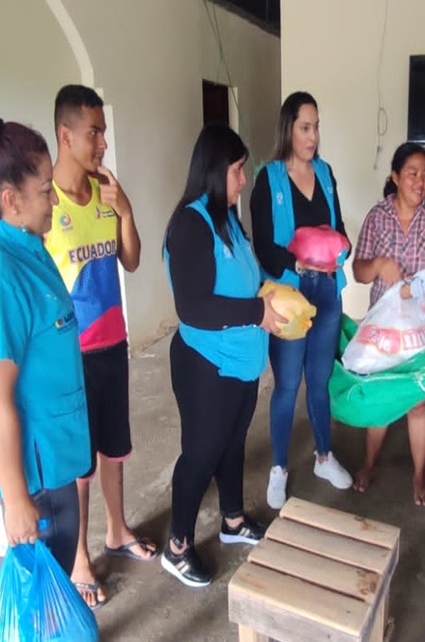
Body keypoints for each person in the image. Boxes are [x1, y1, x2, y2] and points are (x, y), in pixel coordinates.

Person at [0, 109, 90, 585]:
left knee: (54, 582)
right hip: (33, 474)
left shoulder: (22, 244)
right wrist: (15, 500)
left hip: (52, 452)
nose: (55, 199)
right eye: (46, 190)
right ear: (11, 199)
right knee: (44, 590)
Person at [161, 123, 283, 587]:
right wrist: (257, 311)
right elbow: (192, 307)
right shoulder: (190, 224)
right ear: (214, 171)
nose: (243, 180)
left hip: (241, 361)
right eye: (237, 170)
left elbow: (245, 277)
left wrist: (271, 293)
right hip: (205, 364)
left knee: (233, 443)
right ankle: (177, 546)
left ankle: (232, 521)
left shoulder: (226, 217)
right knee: (201, 453)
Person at [45, 85, 149, 609]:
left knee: (115, 446)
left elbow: (131, 260)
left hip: (113, 342)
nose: (103, 143)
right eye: (94, 132)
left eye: (103, 132)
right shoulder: (48, 205)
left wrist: (125, 211)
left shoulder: (106, 191)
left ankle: (117, 530)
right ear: (65, 135)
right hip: (72, 356)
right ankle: (80, 558)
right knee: (80, 463)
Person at [250, 91, 353, 510]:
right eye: (305, 128)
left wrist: (340, 250)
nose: (312, 137)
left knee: (320, 380)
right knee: (288, 383)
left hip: (326, 291)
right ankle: (278, 467)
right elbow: (263, 246)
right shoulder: (268, 178)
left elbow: (339, 226)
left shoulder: (325, 174)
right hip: (288, 295)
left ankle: (323, 457)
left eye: (316, 127)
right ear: (288, 129)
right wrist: (299, 263)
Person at [351, 142, 425, 506]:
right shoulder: (377, 217)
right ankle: (369, 463)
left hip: (422, 330)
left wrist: (419, 283)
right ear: (396, 177)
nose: (421, 181)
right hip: (383, 331)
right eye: (413, 173)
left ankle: (418, 474)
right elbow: (359, 271)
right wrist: (379, 265)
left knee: (417, 402)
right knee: (382, 397)